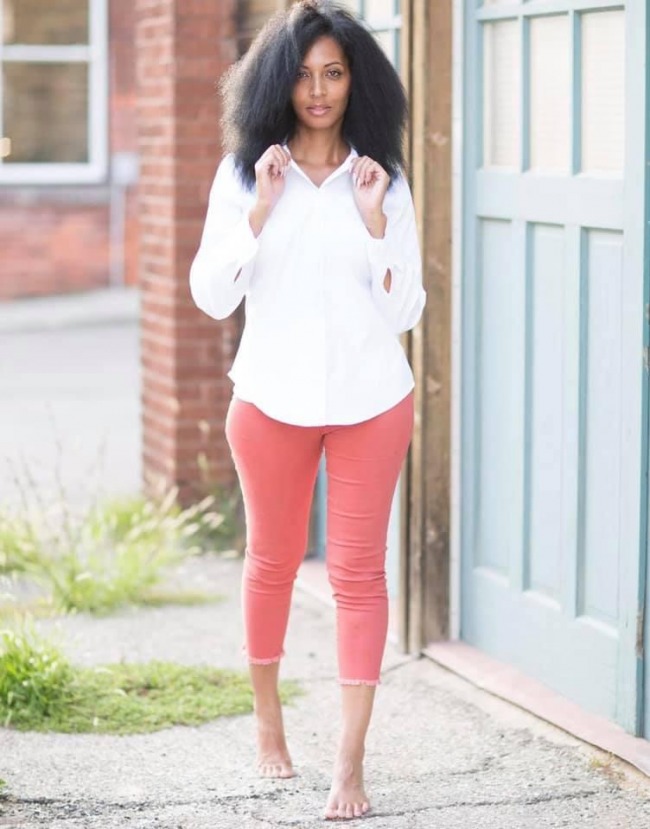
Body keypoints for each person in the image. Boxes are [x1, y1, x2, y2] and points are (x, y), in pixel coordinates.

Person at [189, 0, 425, 820]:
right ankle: (269, 725)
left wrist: (375, 223)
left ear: (357, 81)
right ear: (277, 83)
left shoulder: (383, 179)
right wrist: (258, 210)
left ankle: (349, 764)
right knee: (273, 561)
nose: (318, 91)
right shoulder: (243, 175)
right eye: (302, 74)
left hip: (371, 400)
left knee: (360, 574)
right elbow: (212, 295)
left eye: (333, 73)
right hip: (270, 399)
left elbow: (405, 310)